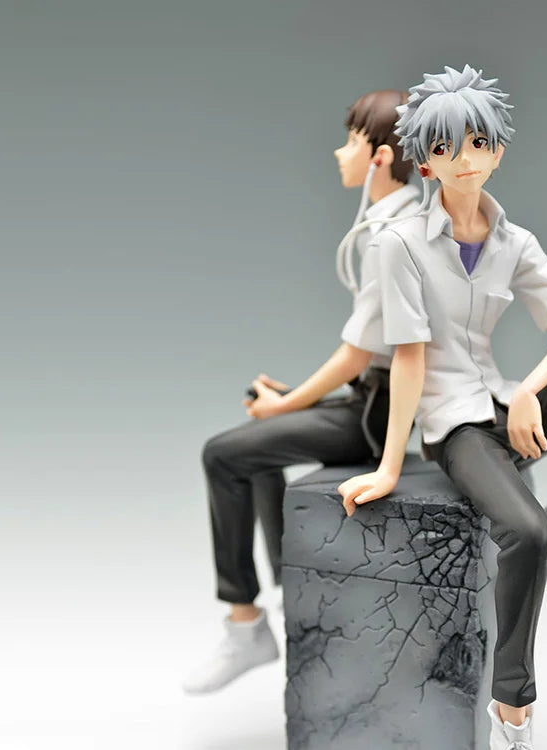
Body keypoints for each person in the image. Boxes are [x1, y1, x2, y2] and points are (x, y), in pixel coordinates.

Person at [337, 66, 547, 749]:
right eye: (447, 147)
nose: (466, 158)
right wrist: (390, 467)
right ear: (424, 162)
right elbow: (408, 359)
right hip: (455, 427)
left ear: (498, 152)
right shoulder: (400, 244)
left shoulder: (512, 241)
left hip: (505, 402)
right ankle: (512, 711)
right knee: (524, 533)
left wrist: (528, 390)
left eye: (480, 142)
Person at [183, 89, 420, 694]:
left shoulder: (391, 235)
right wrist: (292, 403)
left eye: (352, 142)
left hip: (375, 413)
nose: (339, 153)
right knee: (253, 447)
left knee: (222, 455)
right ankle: (289, 590)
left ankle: (246, 622)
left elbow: (357, 355)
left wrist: (287, 405)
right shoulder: (396, 222)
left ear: (380, 157)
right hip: (372, 398)